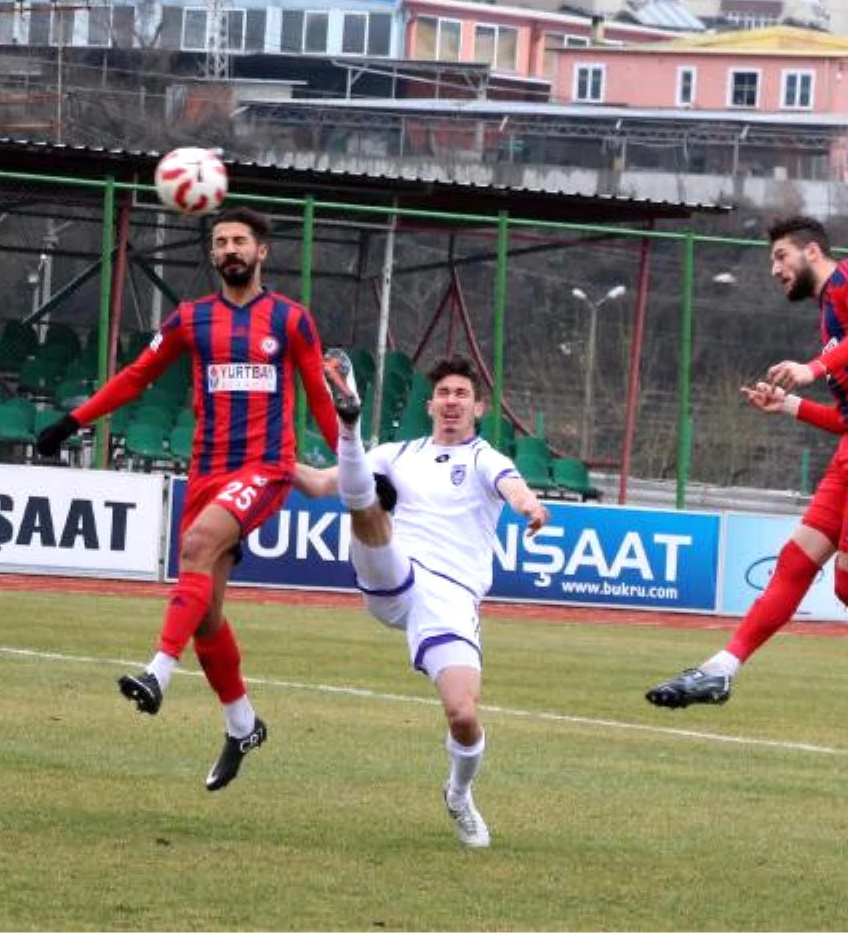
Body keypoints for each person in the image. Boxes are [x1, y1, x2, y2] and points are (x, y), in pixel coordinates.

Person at [36, 207, 340, 790]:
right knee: (207, 617)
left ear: (262, 252)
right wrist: (73, 421)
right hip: (206, 474)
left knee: (199, 545)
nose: (230, 249)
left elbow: (320, 399)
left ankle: (157, 673)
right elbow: (136, 376)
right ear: (212, 254)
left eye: (240, 241)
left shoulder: (292, 320)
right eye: (221, 241)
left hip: (265, 467)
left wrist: (356, 464)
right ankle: (242, 724)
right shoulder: (190, 319)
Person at [645, 215, 848, 763]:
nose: (776, 270)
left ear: (812, 251)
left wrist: (813, 368)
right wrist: (788, 405)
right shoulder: (832, 316)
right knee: (795, 560)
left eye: (781, 257)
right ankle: (721, 669)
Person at [295, 352, 549, 847]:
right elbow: (319, 483)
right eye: (444, 394)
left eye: (462, 395)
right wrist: (263, 463)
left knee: (463, 714)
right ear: (430, 404)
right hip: (396, 574)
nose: (452, 402)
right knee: (364, 500)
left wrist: (532, 507)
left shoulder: (485, 459)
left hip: (450, 601)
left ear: (478, 409)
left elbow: (514, 488)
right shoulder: (397, 454)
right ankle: (351, 422)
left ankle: (458, 795)